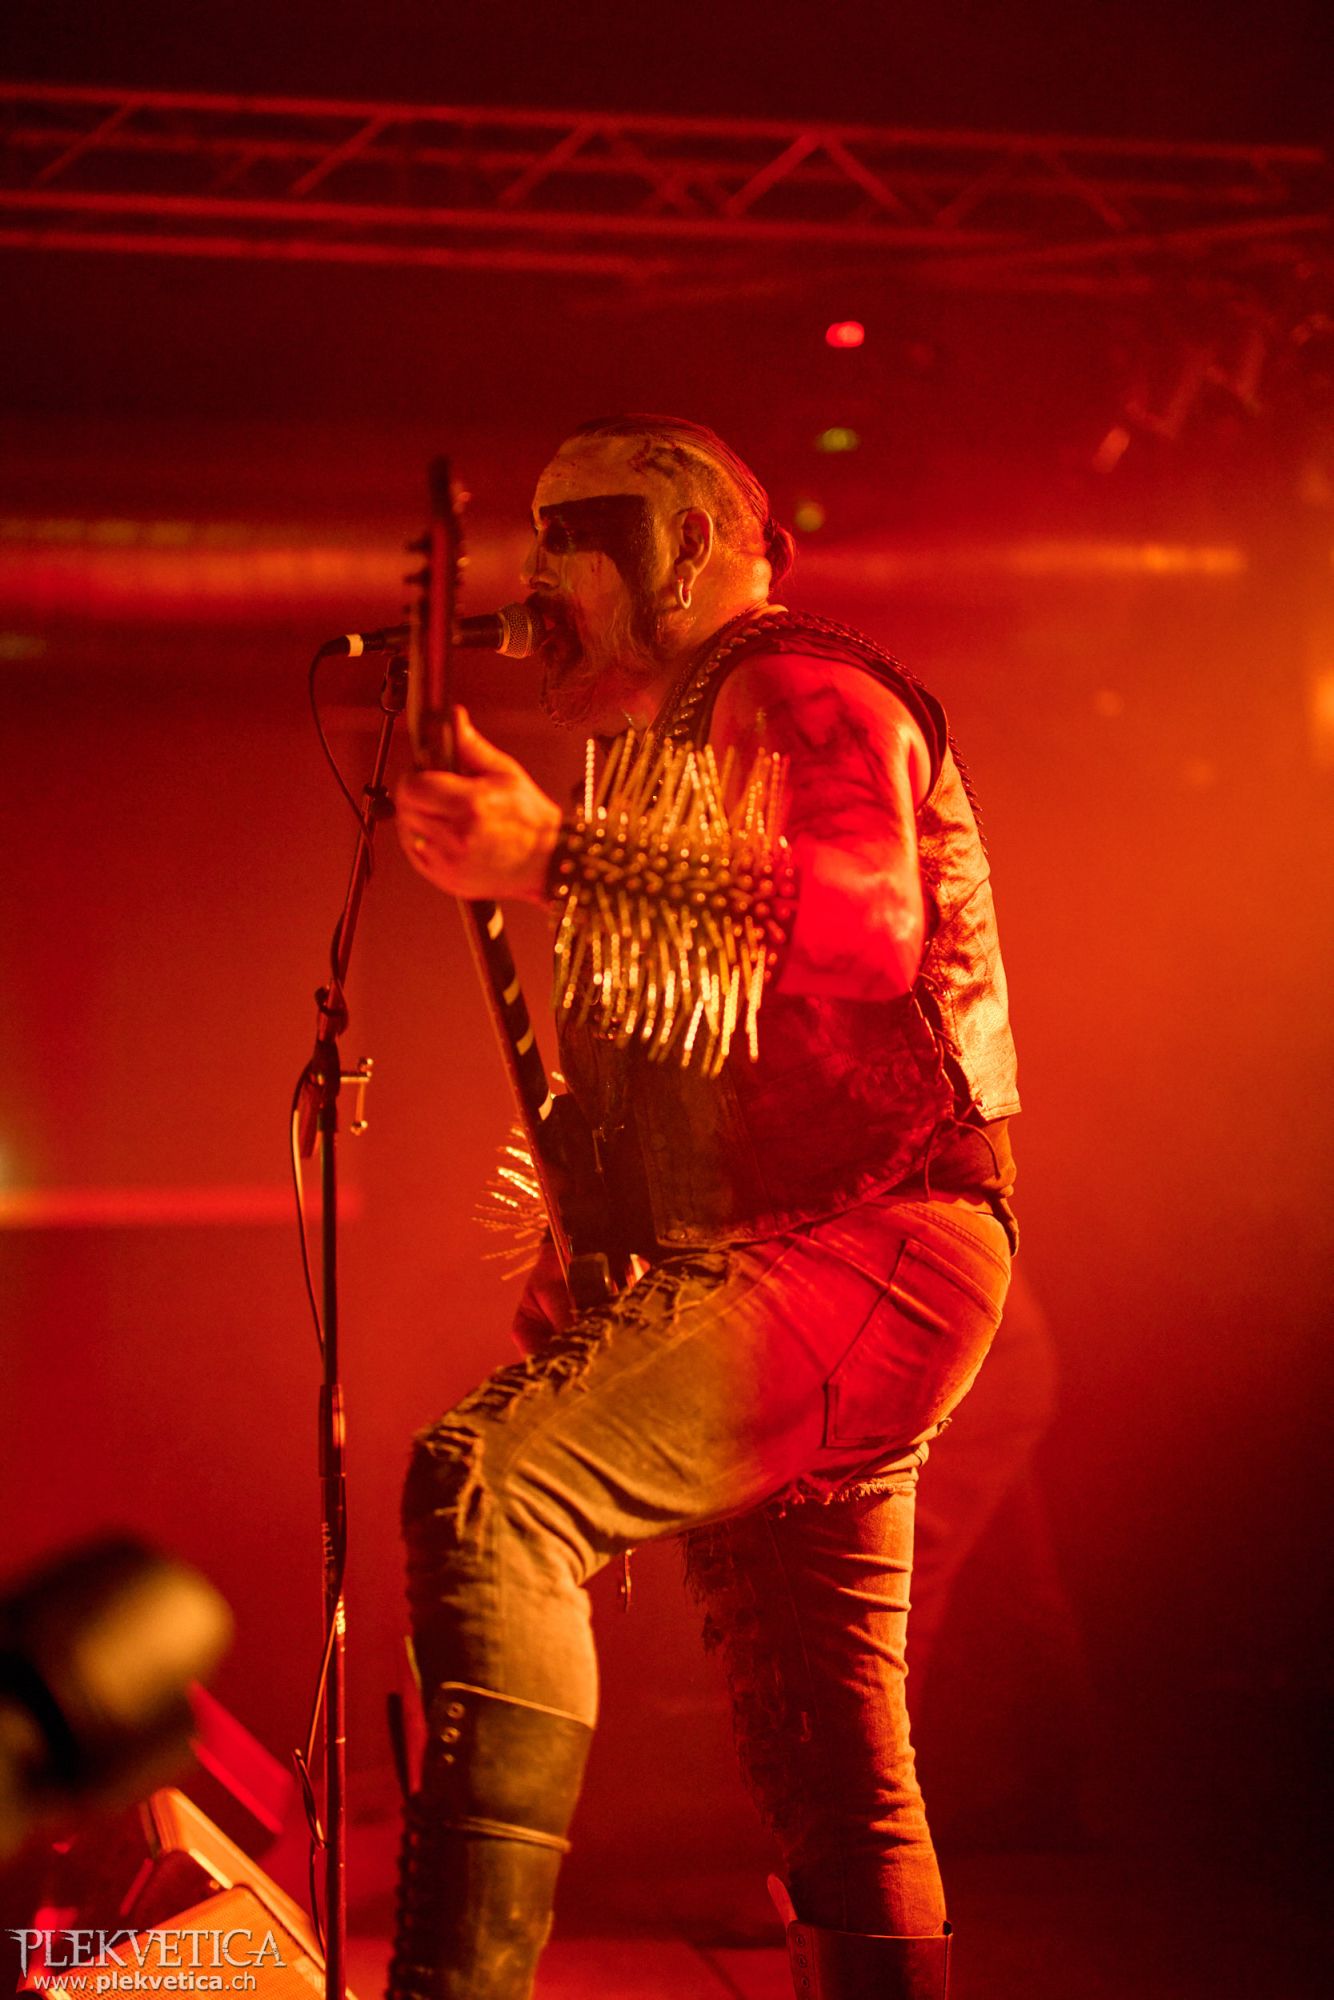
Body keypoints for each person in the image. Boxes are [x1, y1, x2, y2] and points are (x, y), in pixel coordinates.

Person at [389, 415, 1020, 2000]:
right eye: (531, 534)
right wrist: (587, 1234)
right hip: (794, 1257)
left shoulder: (798, 684)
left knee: (489, 1488)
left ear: (688, 547)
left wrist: (558, 855)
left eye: (576, 534)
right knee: (827, 1756)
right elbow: (691, 1048)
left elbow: (867, 930)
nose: (540, 573)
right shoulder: (663, 742)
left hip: (868, 1245)